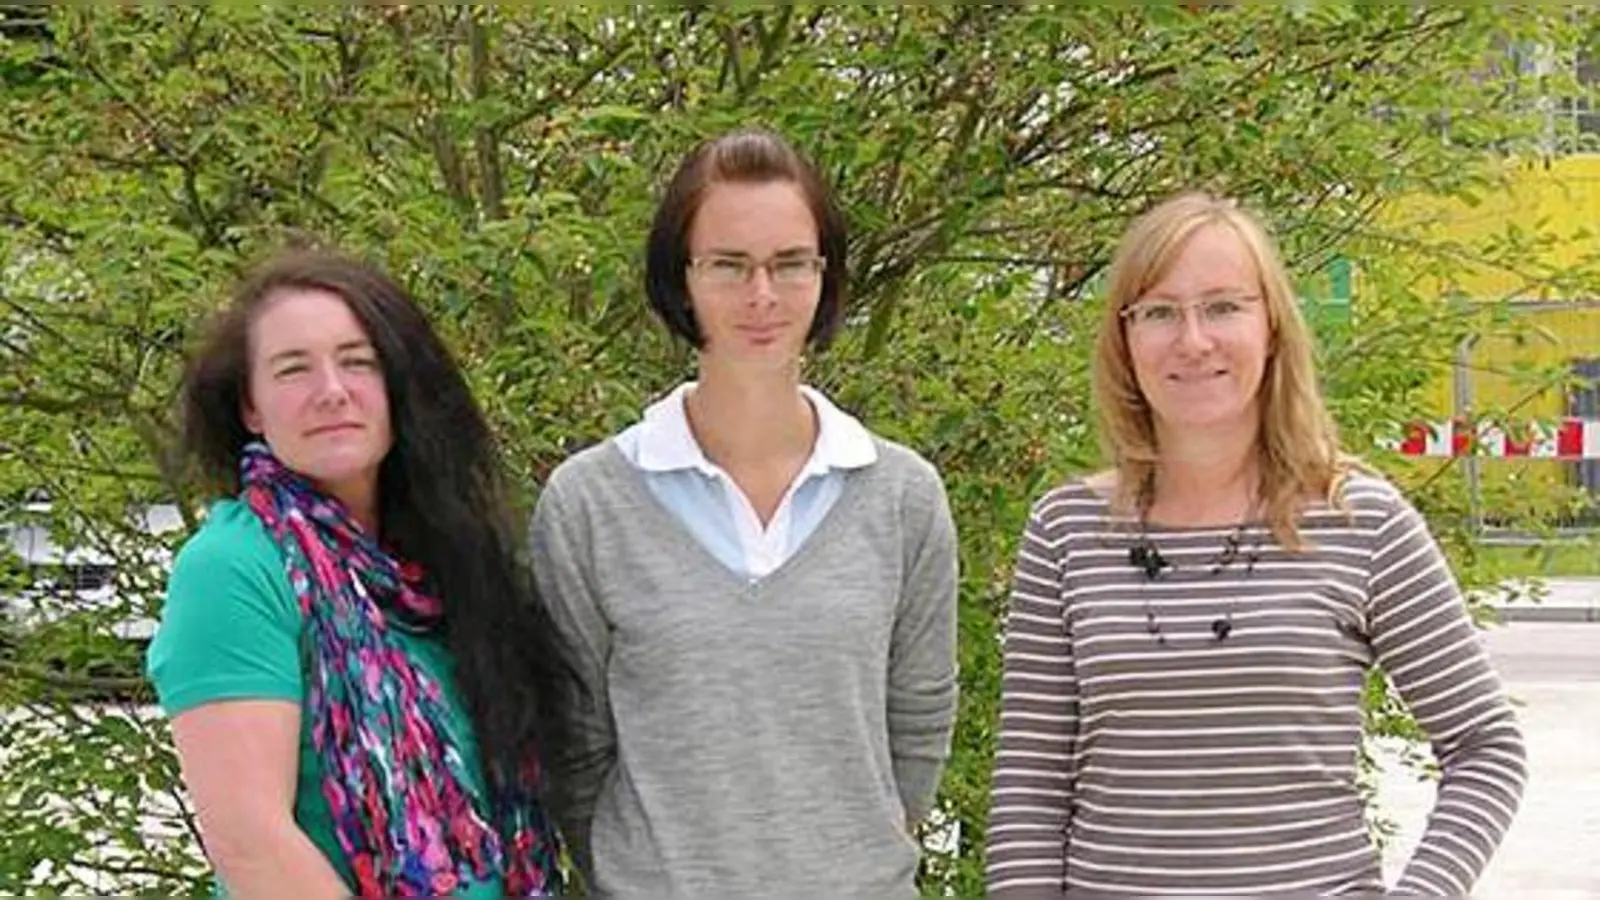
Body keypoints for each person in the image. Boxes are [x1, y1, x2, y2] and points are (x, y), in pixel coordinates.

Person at [985, 192, 1527, 897]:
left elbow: (1486, 747)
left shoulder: (1359, 521)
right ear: (1125, 341)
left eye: (1222, 306)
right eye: (1159, 312)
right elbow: (1030, 783)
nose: (1192, 340)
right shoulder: (1066, 532)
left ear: (1272, 327)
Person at [529, 128, 959, 899]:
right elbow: (576, 747)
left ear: (824, 278)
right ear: (682, 278)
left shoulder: (902, 498)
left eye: (790, 263)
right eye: (729, 265)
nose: (762, 296)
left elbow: (919, 722)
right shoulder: (590, 504)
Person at [146, 249, 565, 897]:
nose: (331, 390)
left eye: (357, 361)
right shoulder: (233, 569)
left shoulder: (443, 569)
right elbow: (251, 845)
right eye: (293, 369)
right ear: (251, 408)